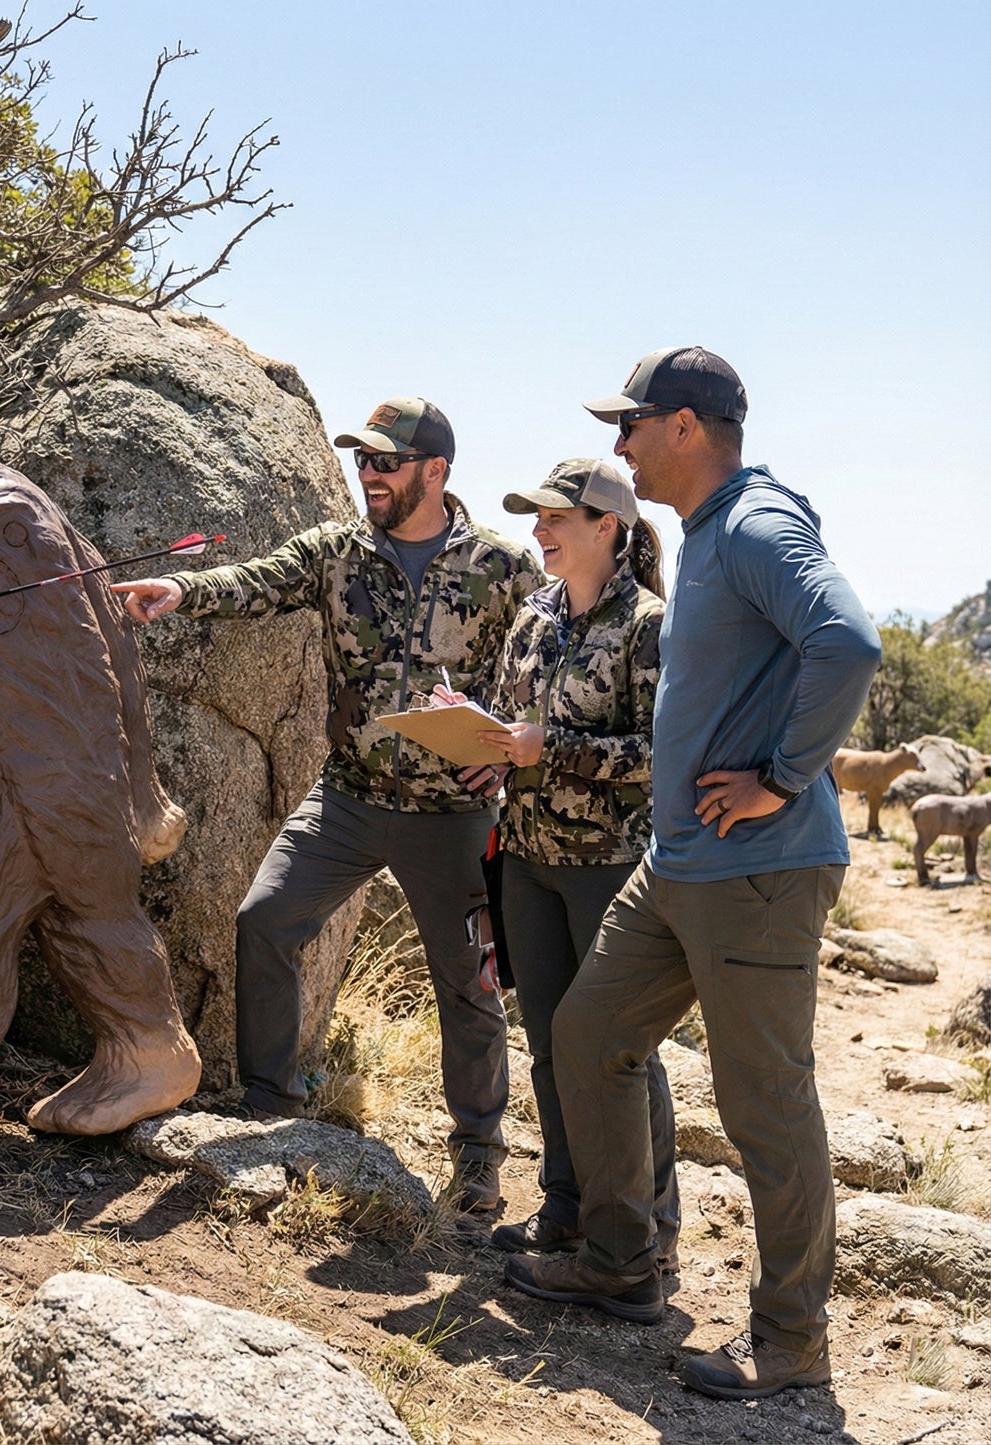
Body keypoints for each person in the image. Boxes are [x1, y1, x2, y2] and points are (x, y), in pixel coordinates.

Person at [500, 347, 881, 1401]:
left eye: (629, 425)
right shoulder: (713, 535)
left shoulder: (757, 522)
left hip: (756, 870)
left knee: (765, 1104)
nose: (617, 445)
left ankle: (791, 1339)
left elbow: (844, 641)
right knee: (583, 1036)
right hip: (674, 866)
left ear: (682, 425)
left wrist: (778, 774)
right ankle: (620, 1259)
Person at [112, 397, 543, 1210]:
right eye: (363, 458)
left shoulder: (503, 567)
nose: (368, 472)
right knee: (265, 919)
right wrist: (178, 586)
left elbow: (547, 664)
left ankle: (480, 1157)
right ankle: (275, 1109)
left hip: (454, 816)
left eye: (385, 460)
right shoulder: (335, 551)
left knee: (469, 984)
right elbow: (253, 581)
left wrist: (518, 752)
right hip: (347, 797)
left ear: (435, 471)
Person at [450, 459, 679, 1267]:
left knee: (617, 1050)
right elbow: (514, 727)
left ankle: (651, 1229)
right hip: (525, 860)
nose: (538, 531)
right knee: (549, 1042)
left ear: (605, 526)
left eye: (554, 518)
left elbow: (661, 752)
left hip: (609, 868)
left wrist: (552, 751)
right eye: (534, 517)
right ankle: (567, 1207)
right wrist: (489, 750)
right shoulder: (532, 615)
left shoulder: (650, 623)